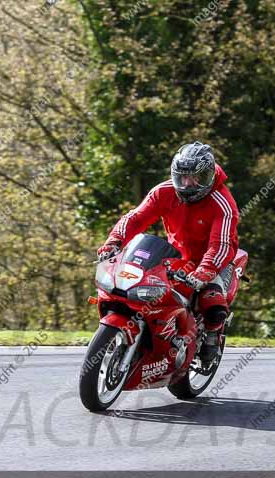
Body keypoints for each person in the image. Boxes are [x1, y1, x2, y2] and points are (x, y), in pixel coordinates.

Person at [97, 141, 240, 363]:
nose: (188, 183)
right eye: (182, 177)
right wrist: (114, 241)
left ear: (209, 176)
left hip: (216, 261)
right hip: (177, 255)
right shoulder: (163, 192)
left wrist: (203, 273)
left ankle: (211, 337)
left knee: (212, 303)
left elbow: (219, 245)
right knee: (145, 286)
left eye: (196, 178)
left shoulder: (222, 204)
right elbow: (135, 218)